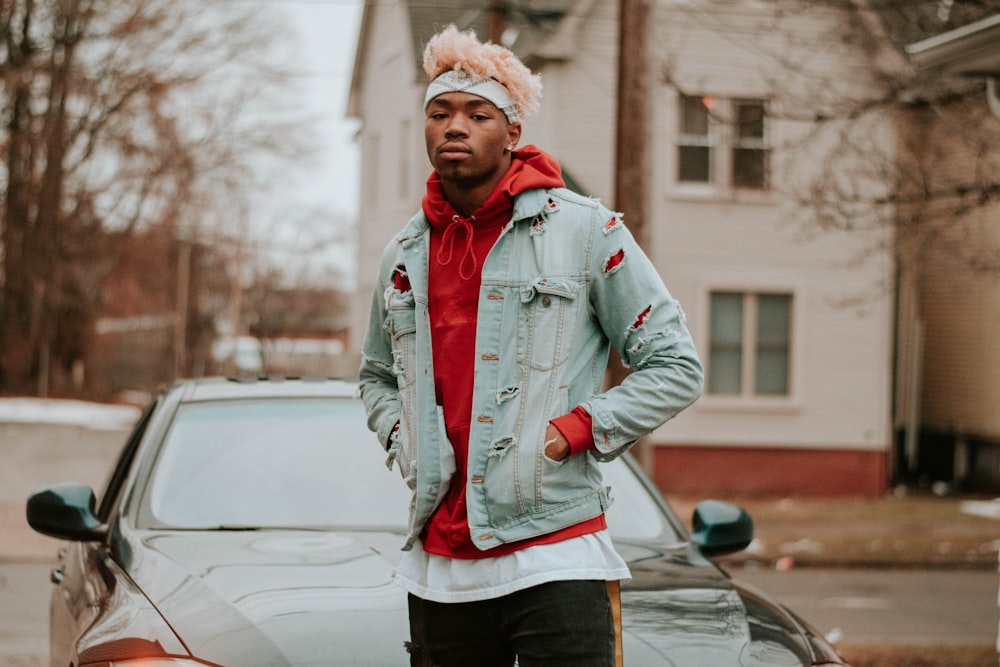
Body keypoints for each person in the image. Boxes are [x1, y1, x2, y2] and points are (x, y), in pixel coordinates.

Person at [359, 25, 703, 667]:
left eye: (476, 113)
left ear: (512, 133)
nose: (454, 126)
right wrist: (402, 439)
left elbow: (676, 365)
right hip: (441, 562)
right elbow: (376, 375)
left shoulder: (585, 230)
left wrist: (578, 428)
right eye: (439, 112)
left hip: (556, 551)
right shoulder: (404, 256)